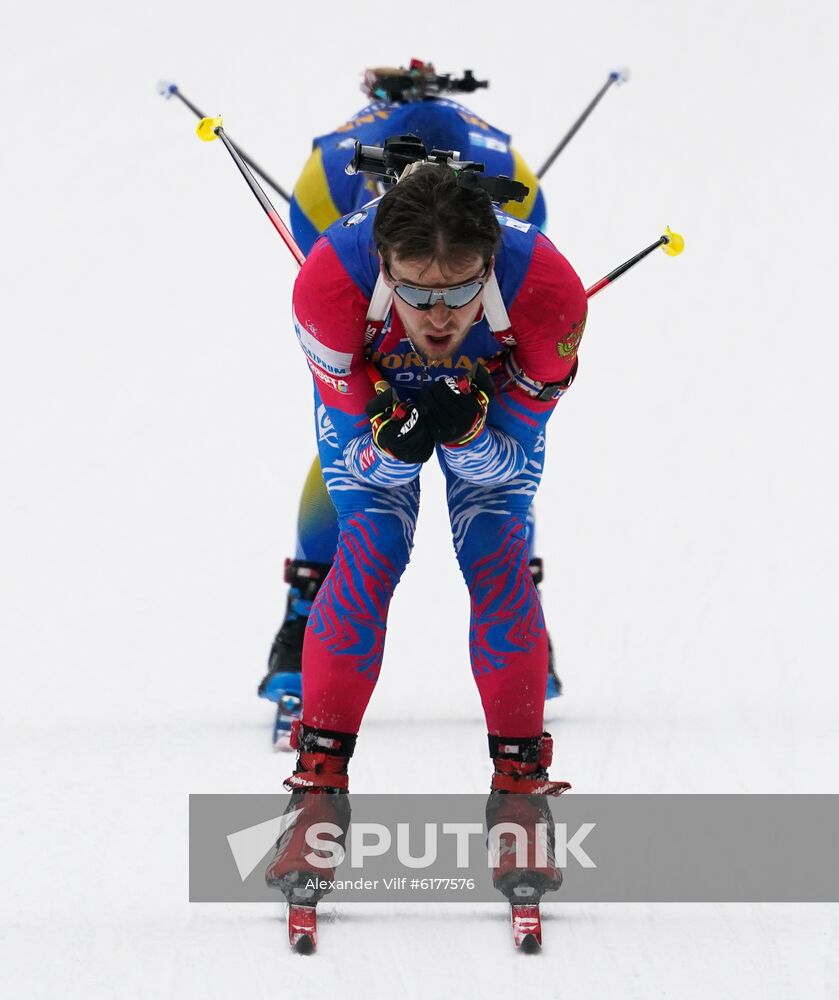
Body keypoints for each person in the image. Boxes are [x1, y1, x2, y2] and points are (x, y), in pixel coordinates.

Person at [264, 160, 586, 905]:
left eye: (460, 291)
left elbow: (509, 457)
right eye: (414, 293)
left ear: (491, 268)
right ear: (382, 266)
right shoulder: (327, 284)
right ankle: (317, 791)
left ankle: (520, 794)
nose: (437, 316)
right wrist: (395, 439)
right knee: (371, 547)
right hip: (373, 395)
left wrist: (469, 432)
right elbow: (359, 459)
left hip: (494, 393)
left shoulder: (547, 292)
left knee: (496, 552)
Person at [259, 64, 563, 741]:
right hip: (356, 274)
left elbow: (518, 436)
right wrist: (380, 415)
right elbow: (343, 412)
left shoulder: (518, 203)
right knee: (363, 473)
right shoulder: (325, 197)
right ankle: (308, 599)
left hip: (471, 283)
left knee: (492, 489)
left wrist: (480, 416)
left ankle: (518, 589)